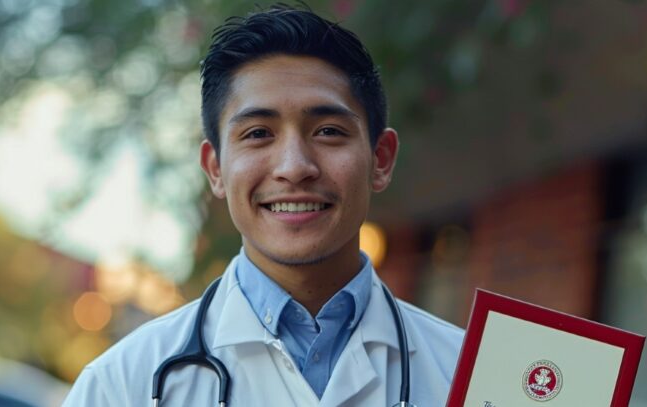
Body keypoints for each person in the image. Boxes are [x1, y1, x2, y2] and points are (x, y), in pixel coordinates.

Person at [63, 4, 463, 406]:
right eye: (258, 133)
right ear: (215, 168)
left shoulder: (475, 378)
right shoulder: (120, 387)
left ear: (381, 159)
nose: (294, 167)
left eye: (328, 131)